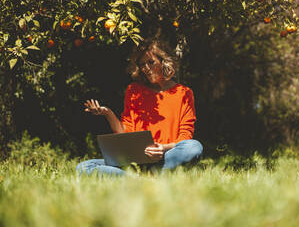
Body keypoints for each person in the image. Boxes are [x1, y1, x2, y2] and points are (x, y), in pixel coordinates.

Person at [76, 38, 203, 176]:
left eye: (151, 62)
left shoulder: (183, 93)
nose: (146, 69)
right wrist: (107, 113)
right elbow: (125, 133)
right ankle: (140, 179)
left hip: (166, 157)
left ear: (164, 61)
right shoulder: (134, 91)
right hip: (135, 161)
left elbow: (185, 136)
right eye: (142, 65)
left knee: (194, 147)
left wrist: (163, 148)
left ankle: (142, 176)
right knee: (84, 167)